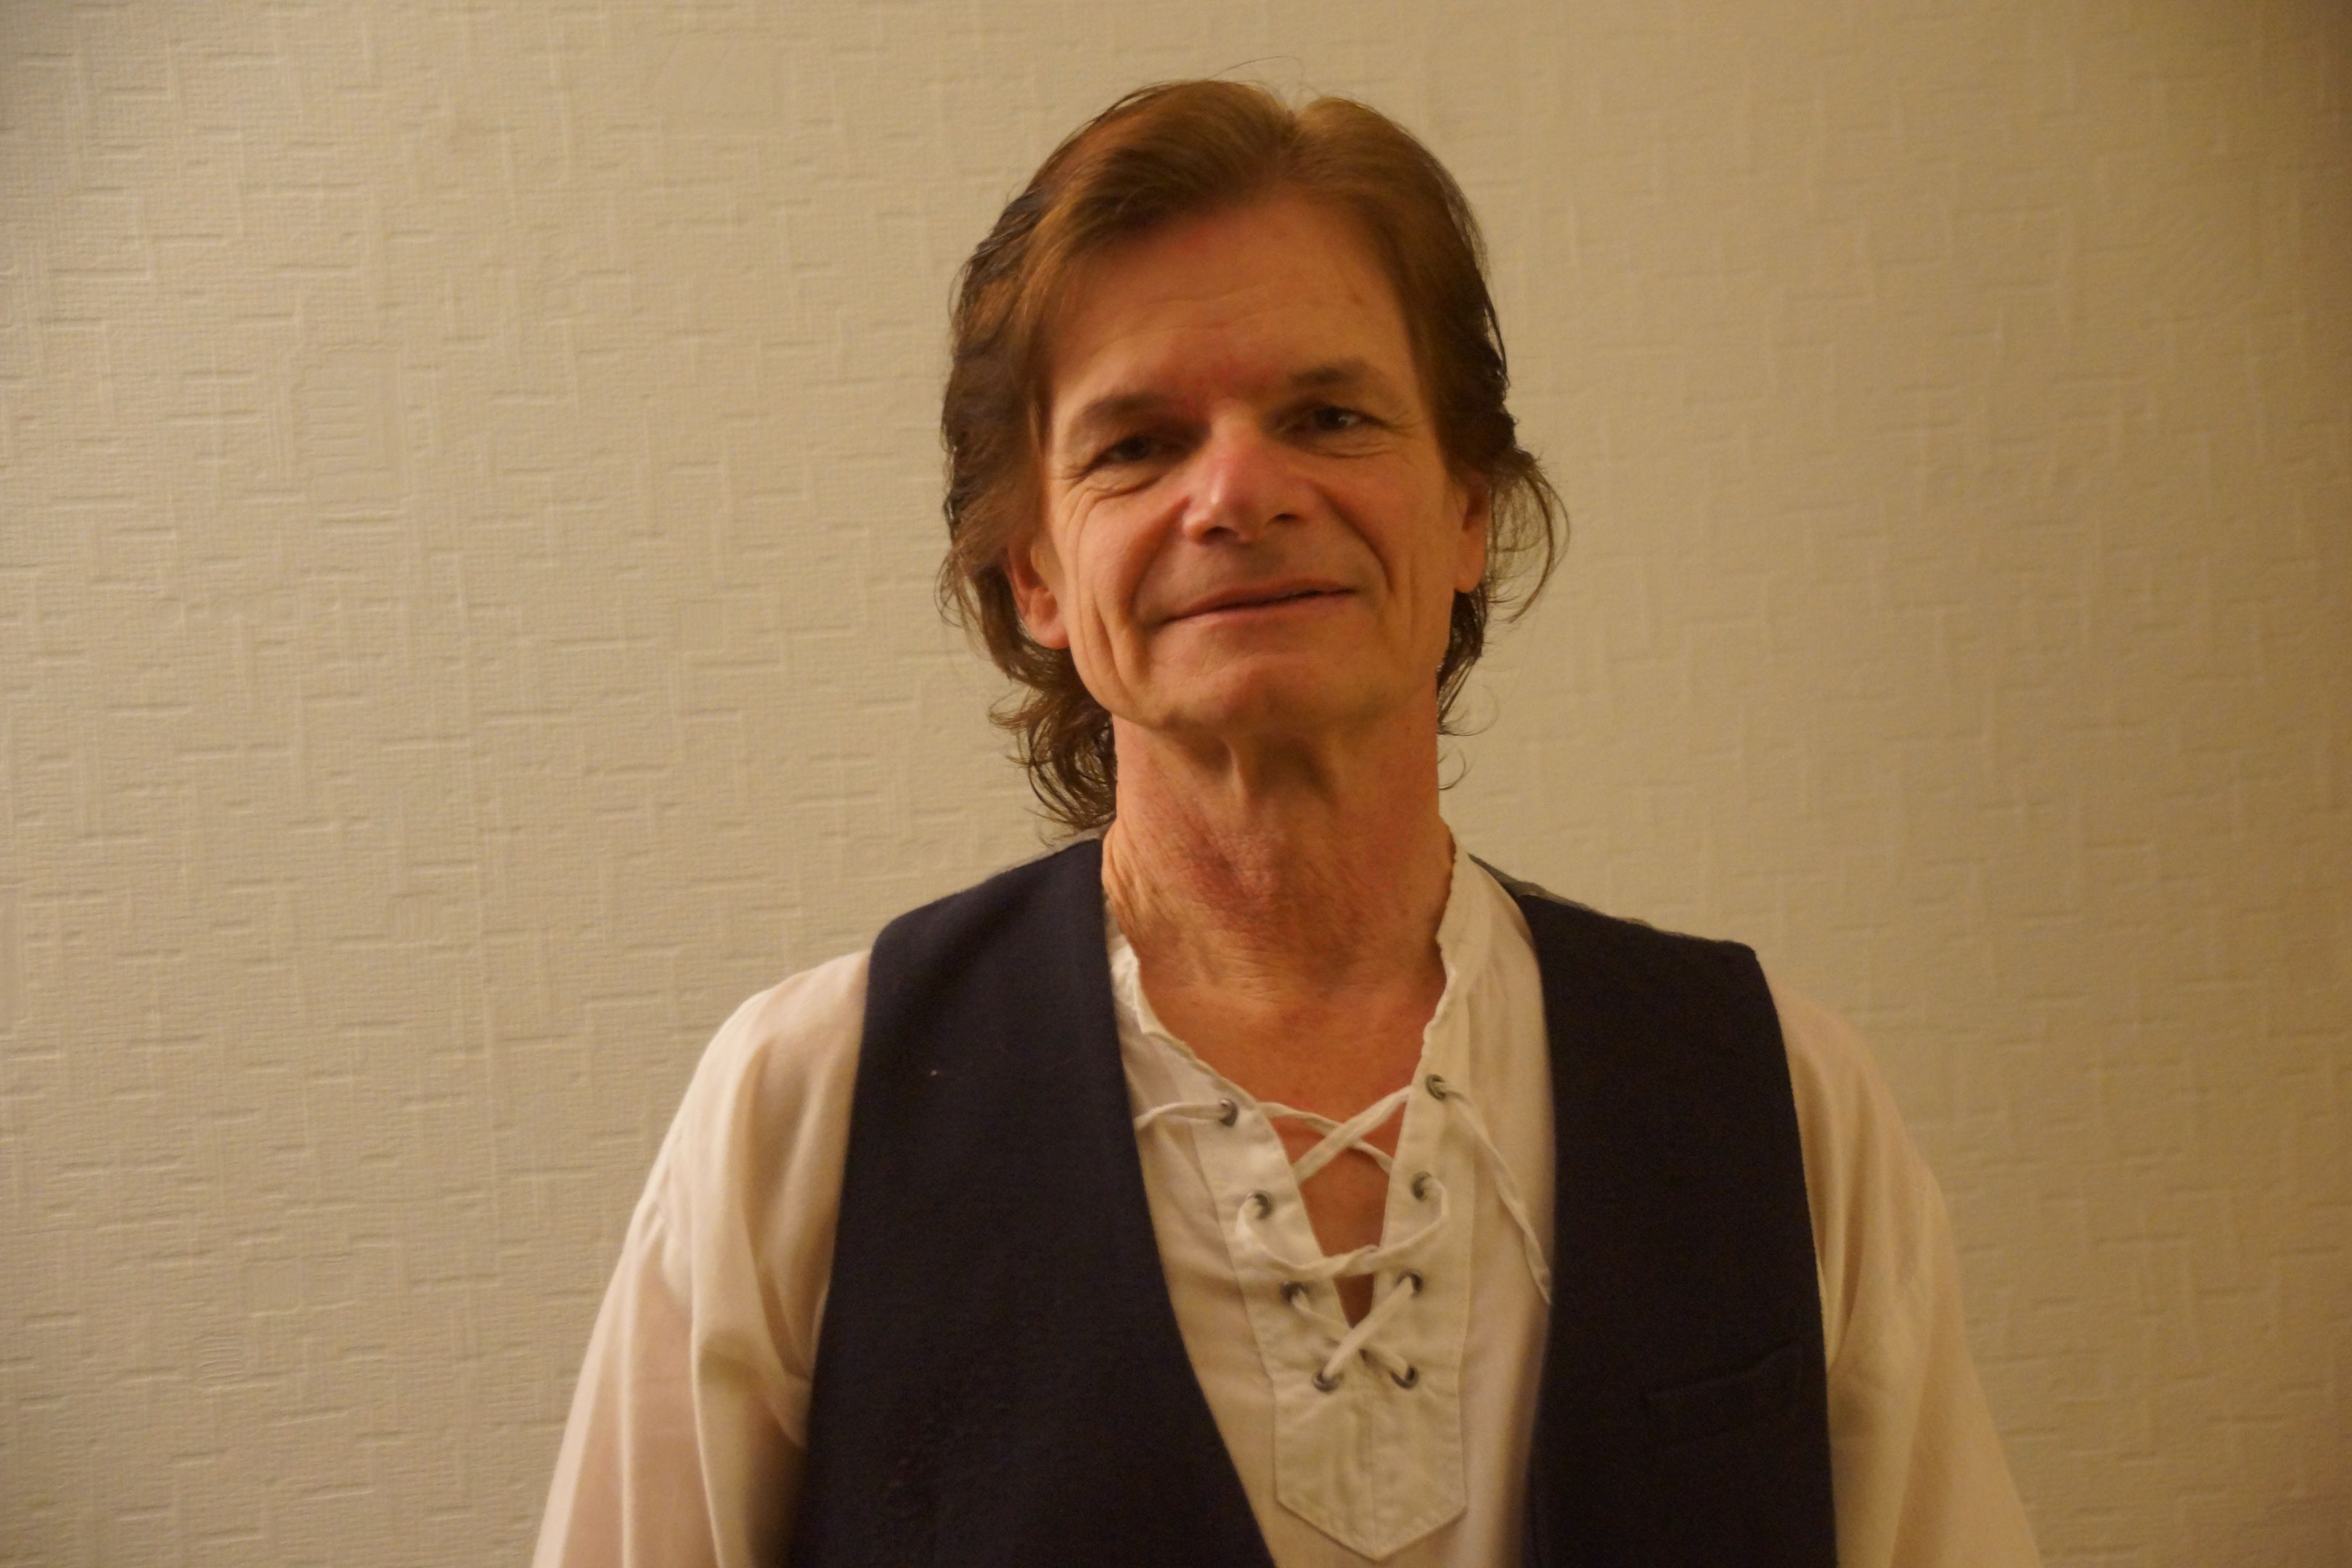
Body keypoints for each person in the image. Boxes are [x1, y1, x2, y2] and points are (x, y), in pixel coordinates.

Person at [534, 80, 2041, 1567]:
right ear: (1034, 572)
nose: (1241, 493)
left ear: (1469, 509)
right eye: (1137, 445)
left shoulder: (1782, 1106)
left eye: (1329, 415)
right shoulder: (805, 1114)